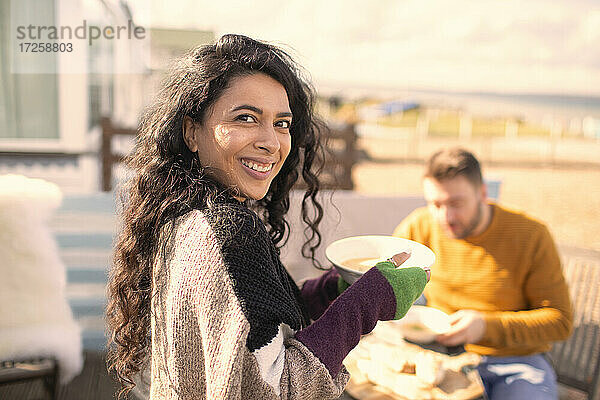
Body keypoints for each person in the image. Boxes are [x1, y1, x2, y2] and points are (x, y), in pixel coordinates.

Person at [106, 34, 430, 400]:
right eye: (246, 118)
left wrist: (332, 292)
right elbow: (277, 388)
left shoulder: (184, 214)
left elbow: (253, 327)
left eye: (282, 123)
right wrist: (366, 304)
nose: (272, 142)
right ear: (191, 131)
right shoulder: (228, 231)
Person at [392, 147, 573, 399]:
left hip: (516, 361)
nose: (446, 217)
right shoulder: (420, 225)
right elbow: (383, 278)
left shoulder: (532, 235)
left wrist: (486, 326)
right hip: (439, 355)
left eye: (456, 203)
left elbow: (560, 321)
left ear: (483, 193)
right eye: (436, 204)